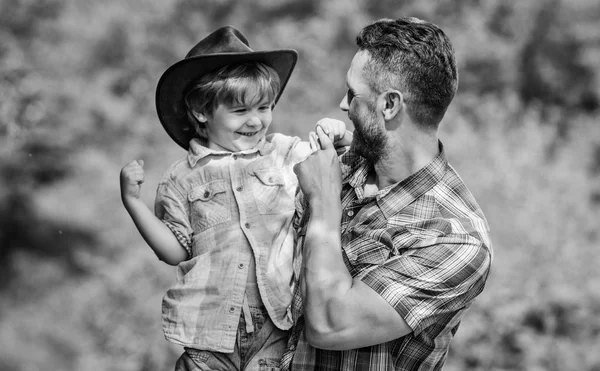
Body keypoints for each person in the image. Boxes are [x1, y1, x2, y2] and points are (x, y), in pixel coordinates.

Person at [119, 26, 351, 371]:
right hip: (207, 332)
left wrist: (341, 134)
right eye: (240, 111)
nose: (256, 120)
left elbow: (337, 162)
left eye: (264, 107)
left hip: (276, 325)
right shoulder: (180, 178)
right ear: (201, 110)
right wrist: (132, 202)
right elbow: (175, 251)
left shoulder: (283, 154)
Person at [280, 17, 494, 370]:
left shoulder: (455, 239)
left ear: (390, 105)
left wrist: (323, 202)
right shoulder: (346, 168)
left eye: (352, 94)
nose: (342, 105)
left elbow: (329, 325)